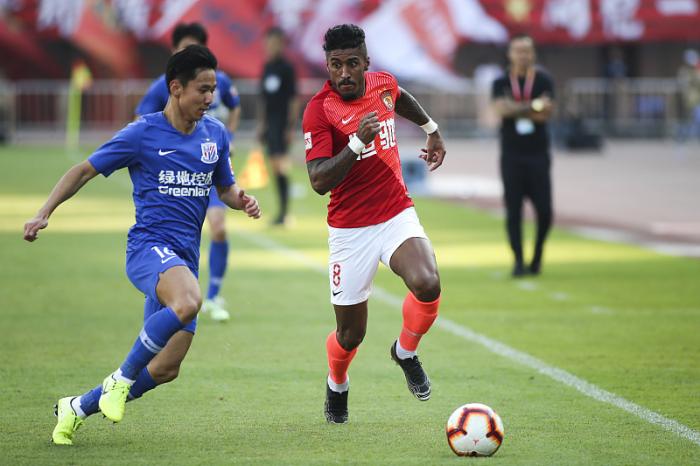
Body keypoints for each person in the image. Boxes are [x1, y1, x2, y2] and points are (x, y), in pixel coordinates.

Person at [24, 45, 260, 445]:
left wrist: (242, 200)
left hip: (184, 260)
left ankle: (76, 407)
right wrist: (44, 212)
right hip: (148, 249)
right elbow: (84, 170)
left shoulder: (215, 134)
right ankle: (120, 379)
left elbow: (225, 187)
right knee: (190, 300)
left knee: (167, 367)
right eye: (203, 89)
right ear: (176, 88)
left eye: (213, 90)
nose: (210, 98)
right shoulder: (142, 133)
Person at [302, 24, 447, 424]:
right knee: (351, 335)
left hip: (396, 213)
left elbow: (399, 97)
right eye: (336, 65)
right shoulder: (319, 110)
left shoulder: (383, 84)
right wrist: (355, 143)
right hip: (350, 230)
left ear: (366, 62)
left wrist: (431, 130)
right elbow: (318, 181)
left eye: (352, 63)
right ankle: (337, 382)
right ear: (327, 66)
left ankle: (405, 351)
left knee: (428, 283)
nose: (344, 73)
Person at [136, 22, 242, 321]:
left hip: (209, 169)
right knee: (171, 239)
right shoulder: (164, 85)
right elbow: (140, 118)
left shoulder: (220, 81)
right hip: (178, 175)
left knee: (218, 227)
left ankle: (213, 295)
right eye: (183, 48)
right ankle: (164, 291)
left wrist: (229, 137)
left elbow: (235, 105)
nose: (208, 96)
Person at [492, 33, 555, 277]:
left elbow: (545, 114)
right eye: (518, 50)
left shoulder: (544, 80)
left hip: (538, 155)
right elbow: (501, 110)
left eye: (527, 51)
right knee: (514, 211)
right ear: (510, 54)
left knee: (545, 211)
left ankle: (537, 255)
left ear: (533, 54)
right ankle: (518, 260)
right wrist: (533, 105)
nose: (523, 55)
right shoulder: (500, 82)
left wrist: (516, 108)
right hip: (511, 155)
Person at [258, 26, 299, 226]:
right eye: (268, 43)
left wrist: (290, 127)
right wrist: (261, 125)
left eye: (274, 43)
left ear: (281, 44)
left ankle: (284, 213)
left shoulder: (287, 68)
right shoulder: (267, 67)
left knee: (281, 166)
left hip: (282, 123)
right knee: (275, 166)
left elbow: (293, 100)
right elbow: (263, 99)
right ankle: (281, 212)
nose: (270, 47)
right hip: (270, 123)